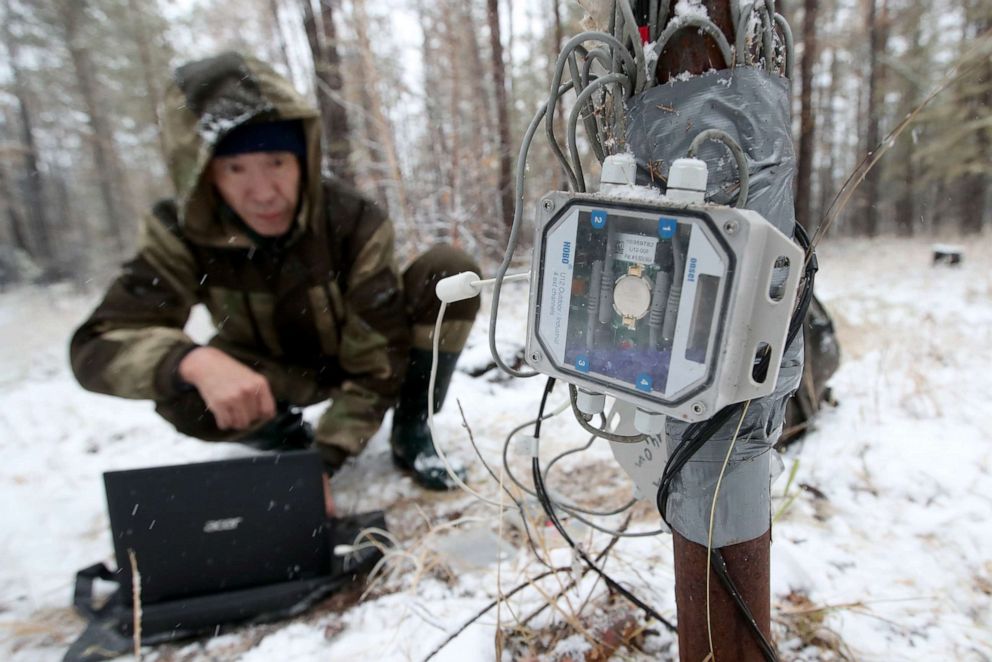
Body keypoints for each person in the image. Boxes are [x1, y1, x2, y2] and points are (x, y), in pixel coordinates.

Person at [69, 52, 479, 494]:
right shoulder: (181, 231)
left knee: (451, 272)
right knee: (179, 388)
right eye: (235, 167)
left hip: (349, 362)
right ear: (206, 175)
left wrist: (325, 460)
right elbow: (97, 346)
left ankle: (413, 428)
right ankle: (284, 438)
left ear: (303, 158)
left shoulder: (352, 219)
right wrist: (193, 361)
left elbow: (378, 359)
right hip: (268, 374)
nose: (264, 192)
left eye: (277, 162)